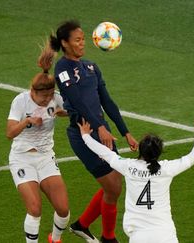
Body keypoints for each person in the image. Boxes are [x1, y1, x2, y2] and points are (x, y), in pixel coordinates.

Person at [50, 20, 138, 243]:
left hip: (102, 131)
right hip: (84, 134)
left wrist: (125, 131)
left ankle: (82, 225)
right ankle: (108, 237)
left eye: (83, 39)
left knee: (115, 183)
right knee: (114, 186)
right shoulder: (62, 69)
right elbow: (77, 101)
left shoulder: (91, 67)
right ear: (65, 43)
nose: (82, 44)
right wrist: (98, 127)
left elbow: (106, 102)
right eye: (77, 40)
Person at [78, 116, 194, 243]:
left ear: (140, 150)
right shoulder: (167, 169)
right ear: (159, 152)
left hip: (138, 236)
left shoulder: (128, 166)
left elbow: (104, 152)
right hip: (165, 234)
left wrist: (85, 136)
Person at [6, 41, 70, 243]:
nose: (46, 100)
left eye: (50, 96)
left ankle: (55, 239)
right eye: (43, 97)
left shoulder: (56, 99)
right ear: (32, 92)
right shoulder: (21, 101)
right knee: (34, 208)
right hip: (22, 158)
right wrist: (27, 121)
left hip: (45, 157)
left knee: (63, 209)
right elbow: (9, 133)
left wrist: (64, 112)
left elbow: (74, 111)